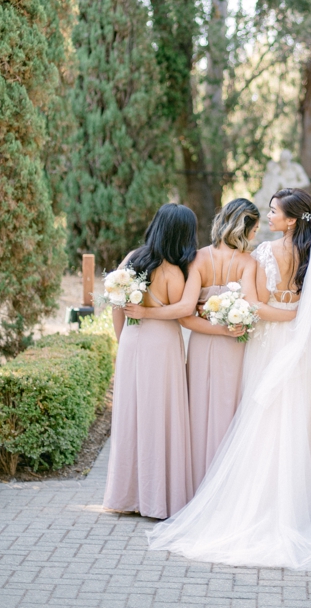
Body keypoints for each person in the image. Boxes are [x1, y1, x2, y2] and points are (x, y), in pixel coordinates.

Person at [146, 188, 311, 570]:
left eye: (274, 212)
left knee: (263, 419)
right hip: (302, 345)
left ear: (291, 220)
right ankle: (288, 503)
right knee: (291, 421)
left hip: (271, 340)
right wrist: (299, 316)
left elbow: (255, 305)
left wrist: (286, 316)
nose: (269, 217)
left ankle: (259, 504)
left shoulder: (263, 254)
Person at [103, 204, 201, 518]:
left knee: (132, 416)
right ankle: (156, 498)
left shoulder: (132, 259)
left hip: (132, 340)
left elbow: (116, 303)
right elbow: (183, 313)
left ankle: (127, 495)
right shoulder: (173, 271)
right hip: (161, 345)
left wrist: (125, 341)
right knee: (160, 417)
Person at [181, 198, 260, 490]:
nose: (255, 235)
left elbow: (185, 316)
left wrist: (213, 326)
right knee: (230, 410)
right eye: (255, 229)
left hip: (202, 341)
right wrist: (230, 329)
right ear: (245, 228)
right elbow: (252, 308)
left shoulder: (198, 258)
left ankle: (195, 485)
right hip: (233, 342)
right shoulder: (247, 263)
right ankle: (226, 488)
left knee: (198, 410)